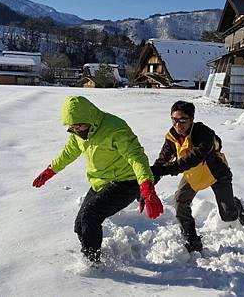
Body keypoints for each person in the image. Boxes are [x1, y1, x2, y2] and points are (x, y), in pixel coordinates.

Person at [32, 95, 164, 263]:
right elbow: (69, 152)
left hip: (126, 182)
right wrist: (50, 171)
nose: (78, 129)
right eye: (74, 127)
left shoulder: (115, 128)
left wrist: (146, 186)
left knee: (90, 215)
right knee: (80, 225)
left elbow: (136, 157)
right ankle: (90, 251)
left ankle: (93, 264)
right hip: (100, 181)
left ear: (90, 117)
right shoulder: (78, 133)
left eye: (80, 125)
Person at [151, 100, 244, 253]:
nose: (178, 125)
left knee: (228, 216)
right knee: (180, 202)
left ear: (191, 119)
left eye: (182, 120)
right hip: (194, 175)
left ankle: (236, 205)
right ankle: (192, 239)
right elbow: (162, 161)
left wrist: (166, 170)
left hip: (216, 174)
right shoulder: (172, 137)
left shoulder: (204, 133)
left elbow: (193, 159)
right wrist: (149, 184)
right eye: (174, 120)